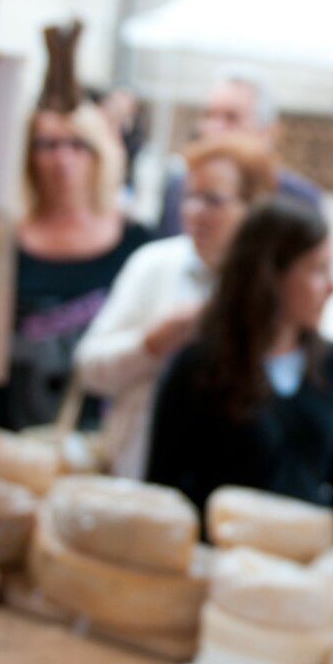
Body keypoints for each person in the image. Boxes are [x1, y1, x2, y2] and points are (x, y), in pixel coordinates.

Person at [146, 198, 333, 531]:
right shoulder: (197, 367)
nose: (331, 288)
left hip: (309, 568)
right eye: (318, 270)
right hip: (220, 566)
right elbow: (162, 488)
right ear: (271, 275)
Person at [75, 135, 279, 479]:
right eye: (189, 196)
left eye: (212, 200)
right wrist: (151, 344)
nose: (194, 211)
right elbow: (89, 370)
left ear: (254, 208)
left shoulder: (274, 289)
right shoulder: (153, 266)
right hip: (139, 475)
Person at [0, 100, 150, 431]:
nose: (63, 158)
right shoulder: (4, 242)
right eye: (48, 144)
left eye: (77, 144)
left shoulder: (137, 244)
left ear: (99, 154)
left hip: (102, 428)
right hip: (12, 423)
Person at [155, 70, 321, 238]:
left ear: (266, 133)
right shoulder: (179, 188)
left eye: (231, 118)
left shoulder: (298, 201)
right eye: (209, 115)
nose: (214, 128)